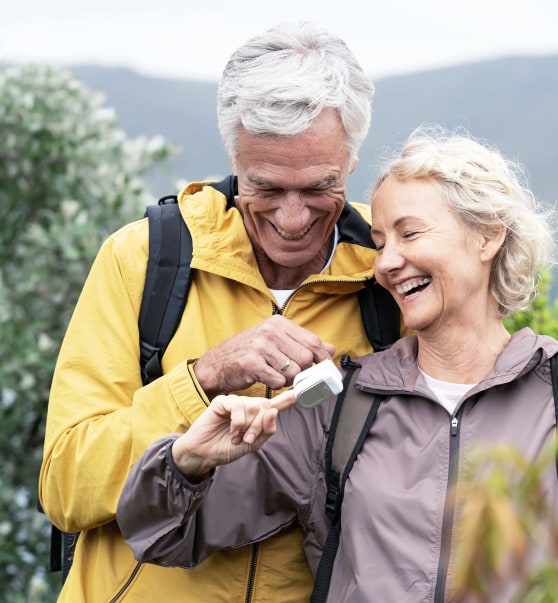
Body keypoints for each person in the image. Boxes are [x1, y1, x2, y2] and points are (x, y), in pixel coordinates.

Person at [116, 126, 558, 601]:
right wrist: (186, 461)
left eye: (410, 234)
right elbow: (165, 536)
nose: (387, 263)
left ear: (488, 235)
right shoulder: (340, 404)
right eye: (379, 242)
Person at [38, 21, 406, 602]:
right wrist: (202, 379)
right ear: (232, 155)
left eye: (319, 186)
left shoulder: (395, 272)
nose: (292, 218)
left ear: (353, 158)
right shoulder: (143, 259)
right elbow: (65, 486)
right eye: (264, 187)